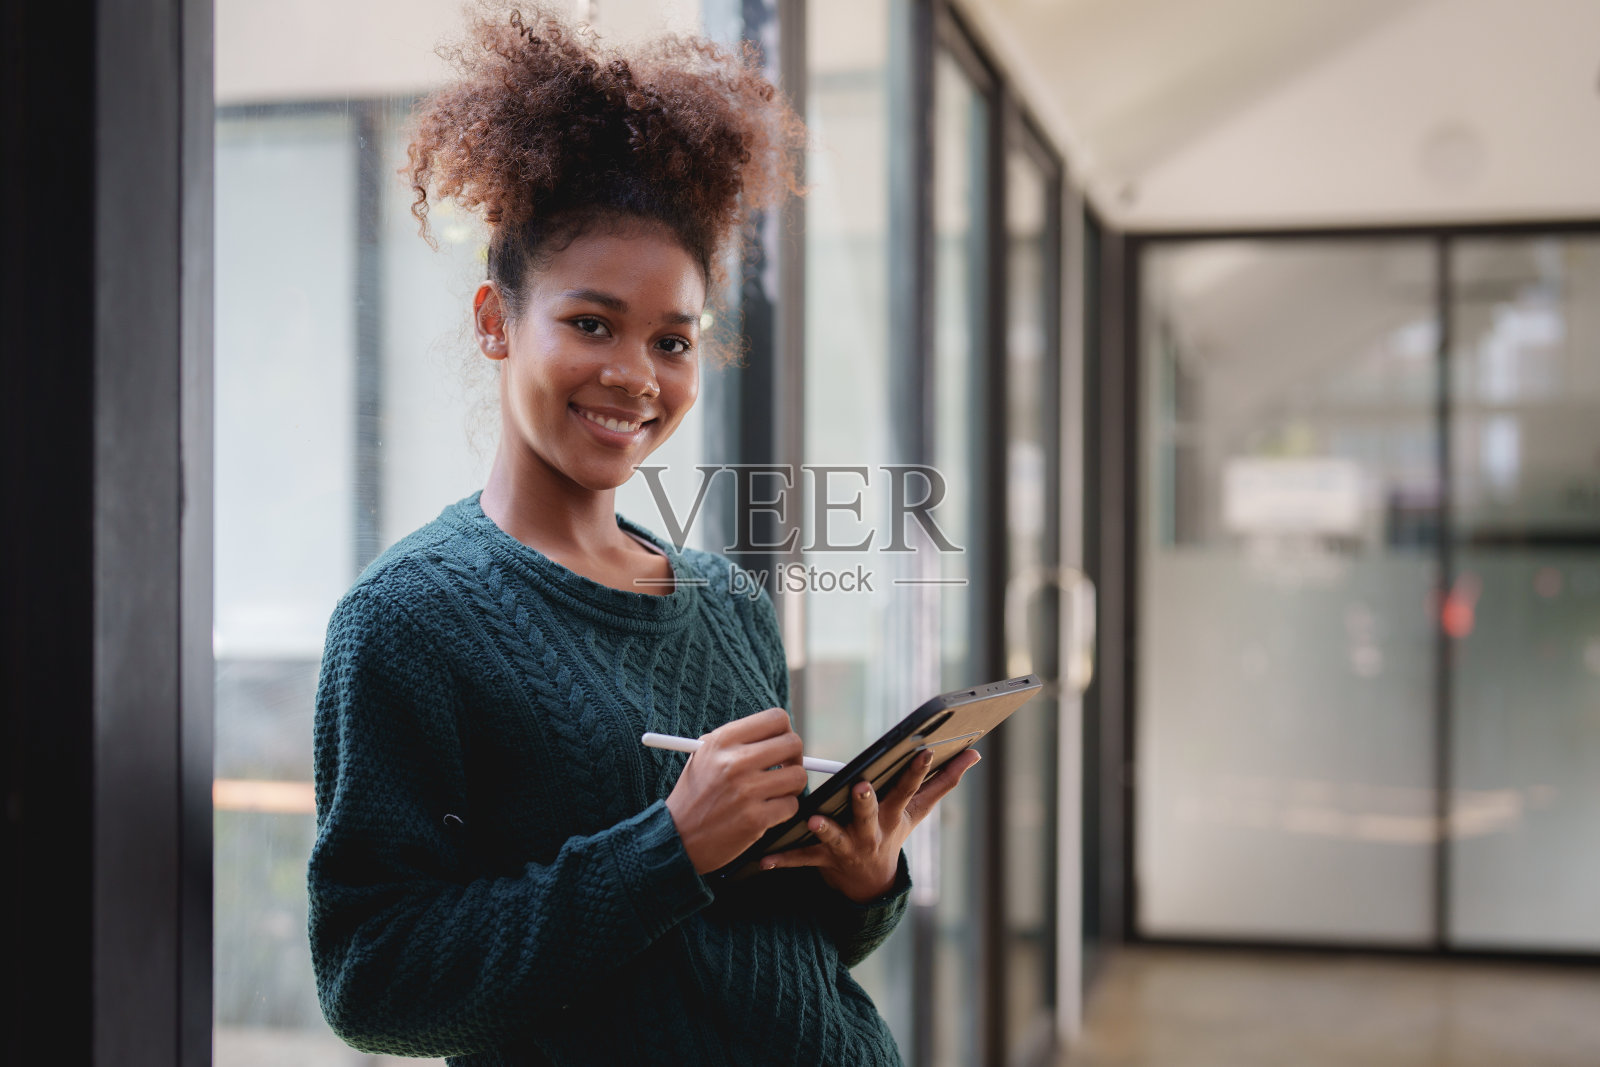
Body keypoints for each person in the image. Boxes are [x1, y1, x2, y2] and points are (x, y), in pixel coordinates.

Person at [306, 6, 979, 1065]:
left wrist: (863, 877)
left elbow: (775, 950)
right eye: (590, 322)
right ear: (496, 320)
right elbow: (372, 981)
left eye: (673, 339)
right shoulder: (407, 620)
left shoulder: (729, 605)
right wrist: (667, 846)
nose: (635, 373)